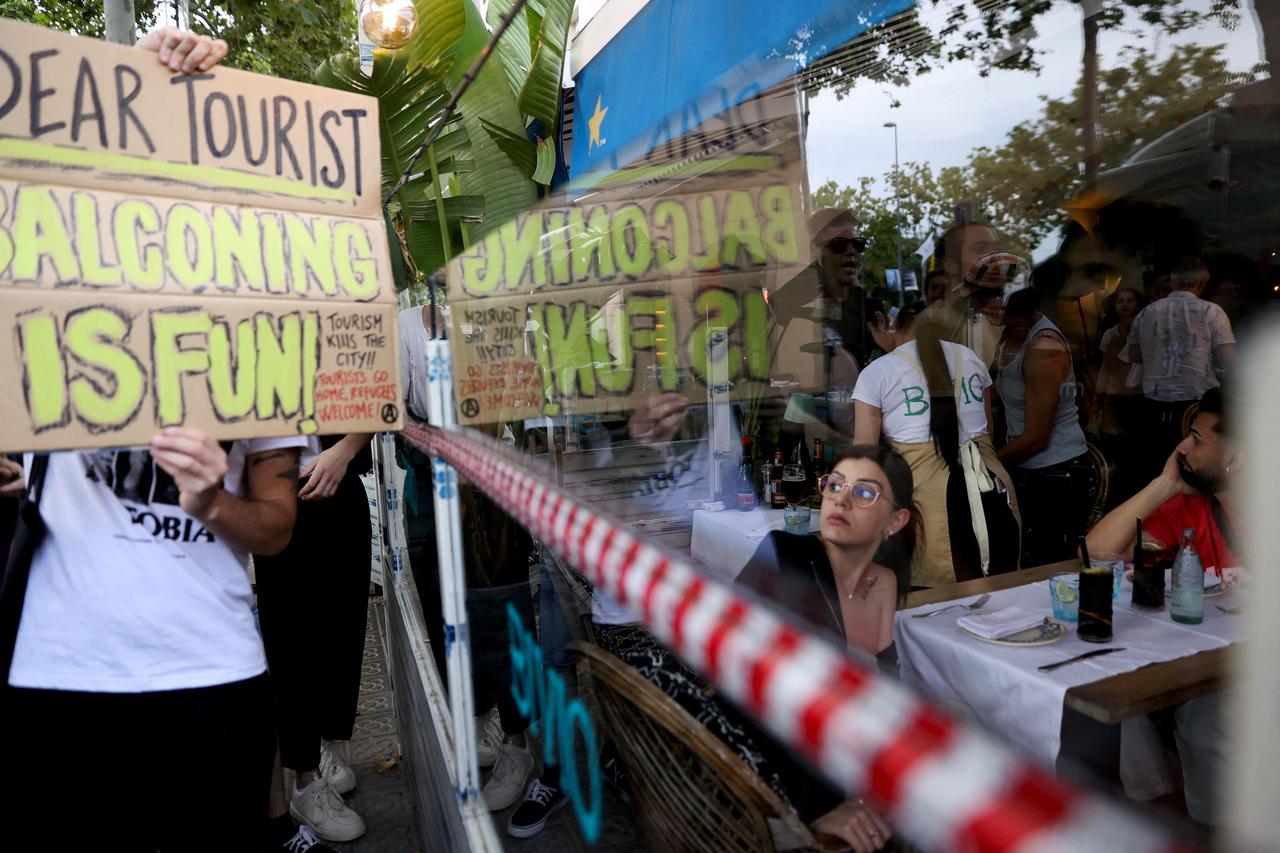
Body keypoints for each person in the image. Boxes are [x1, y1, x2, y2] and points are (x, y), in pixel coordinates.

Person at [736, 445, 921, 851]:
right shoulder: (784, 557)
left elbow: (884, 693)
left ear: (895, 521)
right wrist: (812, 807)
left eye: (865, 493)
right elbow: (742, 692)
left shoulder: (884, 583)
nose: (840, 498)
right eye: (835, 484)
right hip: (777, 786)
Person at [1084, 388, 1237, 826]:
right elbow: (1096, 556)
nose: (1182, 448)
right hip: (1202, 663)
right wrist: (1163, 485)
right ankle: (1170, 818)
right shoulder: (1187, 506)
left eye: (1196, 439)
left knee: (1208, 711)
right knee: (1113, 690)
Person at [254, 432, 374, 844]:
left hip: (339, 482)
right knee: (289, 638)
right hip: (273, 493)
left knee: (344, 627)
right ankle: (305, 779)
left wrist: (345, 450)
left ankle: (330, 743)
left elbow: (376, 394)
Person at [852, 303, 1020, 586]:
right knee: (997, 593)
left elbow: (863, 458)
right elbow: (988, 430)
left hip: (925, 499)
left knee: (933, 603)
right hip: (989, 487)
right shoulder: (970, 358)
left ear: (890, 327)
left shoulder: (878, 372)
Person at [992, 288, 1094, 567]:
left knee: (1050, 565)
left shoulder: (1043, 350)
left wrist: (989, 464)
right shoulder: (1008, 338)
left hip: (1056, 472)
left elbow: (1037, 438)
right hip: (1030, 468)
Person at [1124, 256, 1235, 479]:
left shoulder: (1147, 312)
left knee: (1156, 473)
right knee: (1192, 473)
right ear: (1202, 284)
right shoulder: (1211, 312)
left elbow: (1134, 354)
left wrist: (1159, 354)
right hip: (1195, 411)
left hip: (1152, 408)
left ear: (1172, 282)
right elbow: (1229, 360)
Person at [1091, 286, 1147, 505]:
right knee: (1115, 454)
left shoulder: (1146, 331)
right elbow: (1105, 368)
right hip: (1115, 401)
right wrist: (1097, 400)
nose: (1124, 305)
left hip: (1140, 400)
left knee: (1137, 455)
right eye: (1120, 301)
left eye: (1129, 300)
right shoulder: (1110, 334)